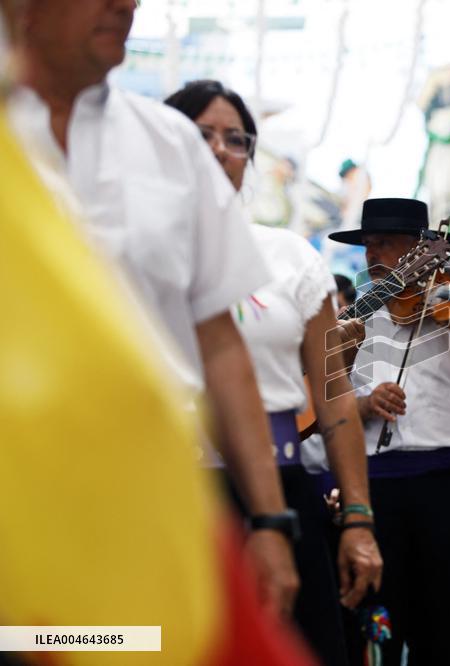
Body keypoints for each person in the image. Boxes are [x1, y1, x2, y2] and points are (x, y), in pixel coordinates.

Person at [4, 0, 299, 616]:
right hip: (19, 509)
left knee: (132, 646)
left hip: (153, 507)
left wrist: (270, 521)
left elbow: (220, 344)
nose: (127, 4)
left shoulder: (169, 146)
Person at [164, 79, 382, 665]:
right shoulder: (128, 250)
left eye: (235, 139)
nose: (217, 148)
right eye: (199, 133)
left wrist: (358, 519)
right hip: (167, 498)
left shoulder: (291, 257)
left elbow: (334, 400)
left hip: (284, 495)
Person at [330, 197, 450, 665]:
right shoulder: (352, 321)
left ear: (422, 251)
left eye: (386, 245)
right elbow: (322, 411)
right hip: (377, 492)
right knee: (378, 627)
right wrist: (364, 403)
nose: (373, 255)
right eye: (368, 245)